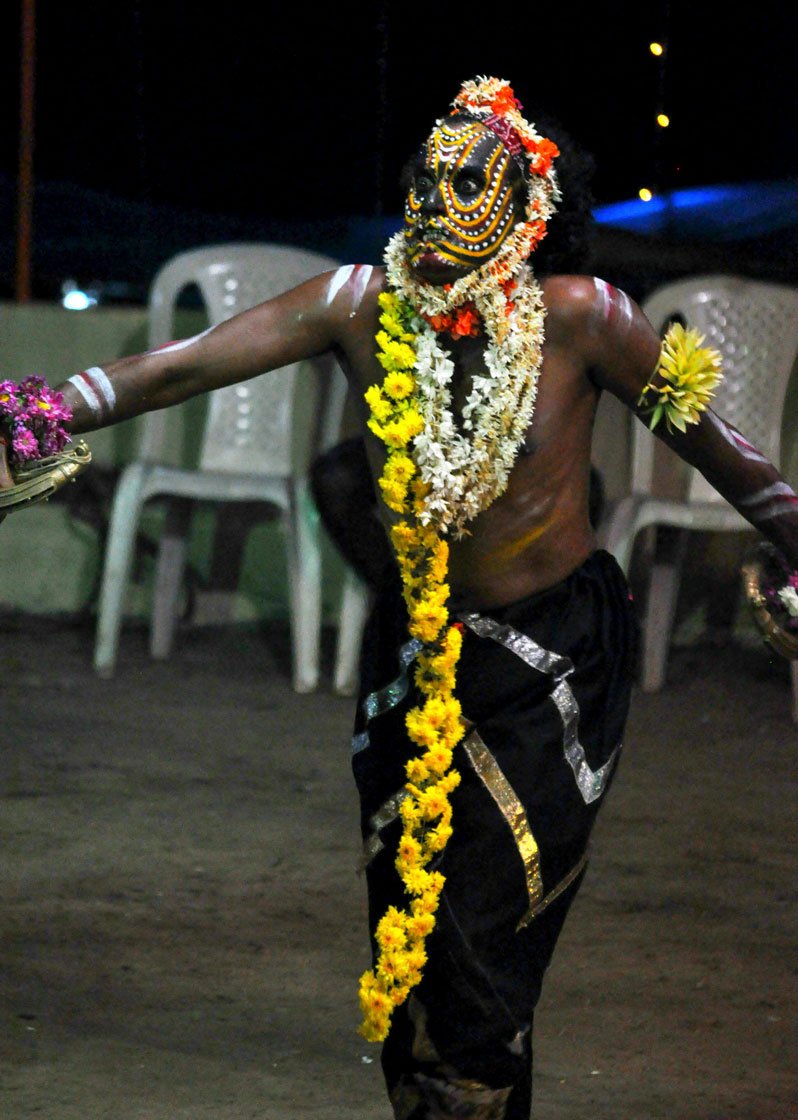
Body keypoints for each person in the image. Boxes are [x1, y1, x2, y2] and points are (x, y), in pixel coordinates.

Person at [2, 76, 797, 1119]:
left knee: (486, 943)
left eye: (466, 181)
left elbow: (730, 456)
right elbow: (185, 366)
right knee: (414, 942)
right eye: (424, 174)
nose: (434, 197)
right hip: (415, 650)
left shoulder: (585, 320)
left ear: (529, 206)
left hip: (554, 664)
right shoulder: (358, 304)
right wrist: (38, 410)